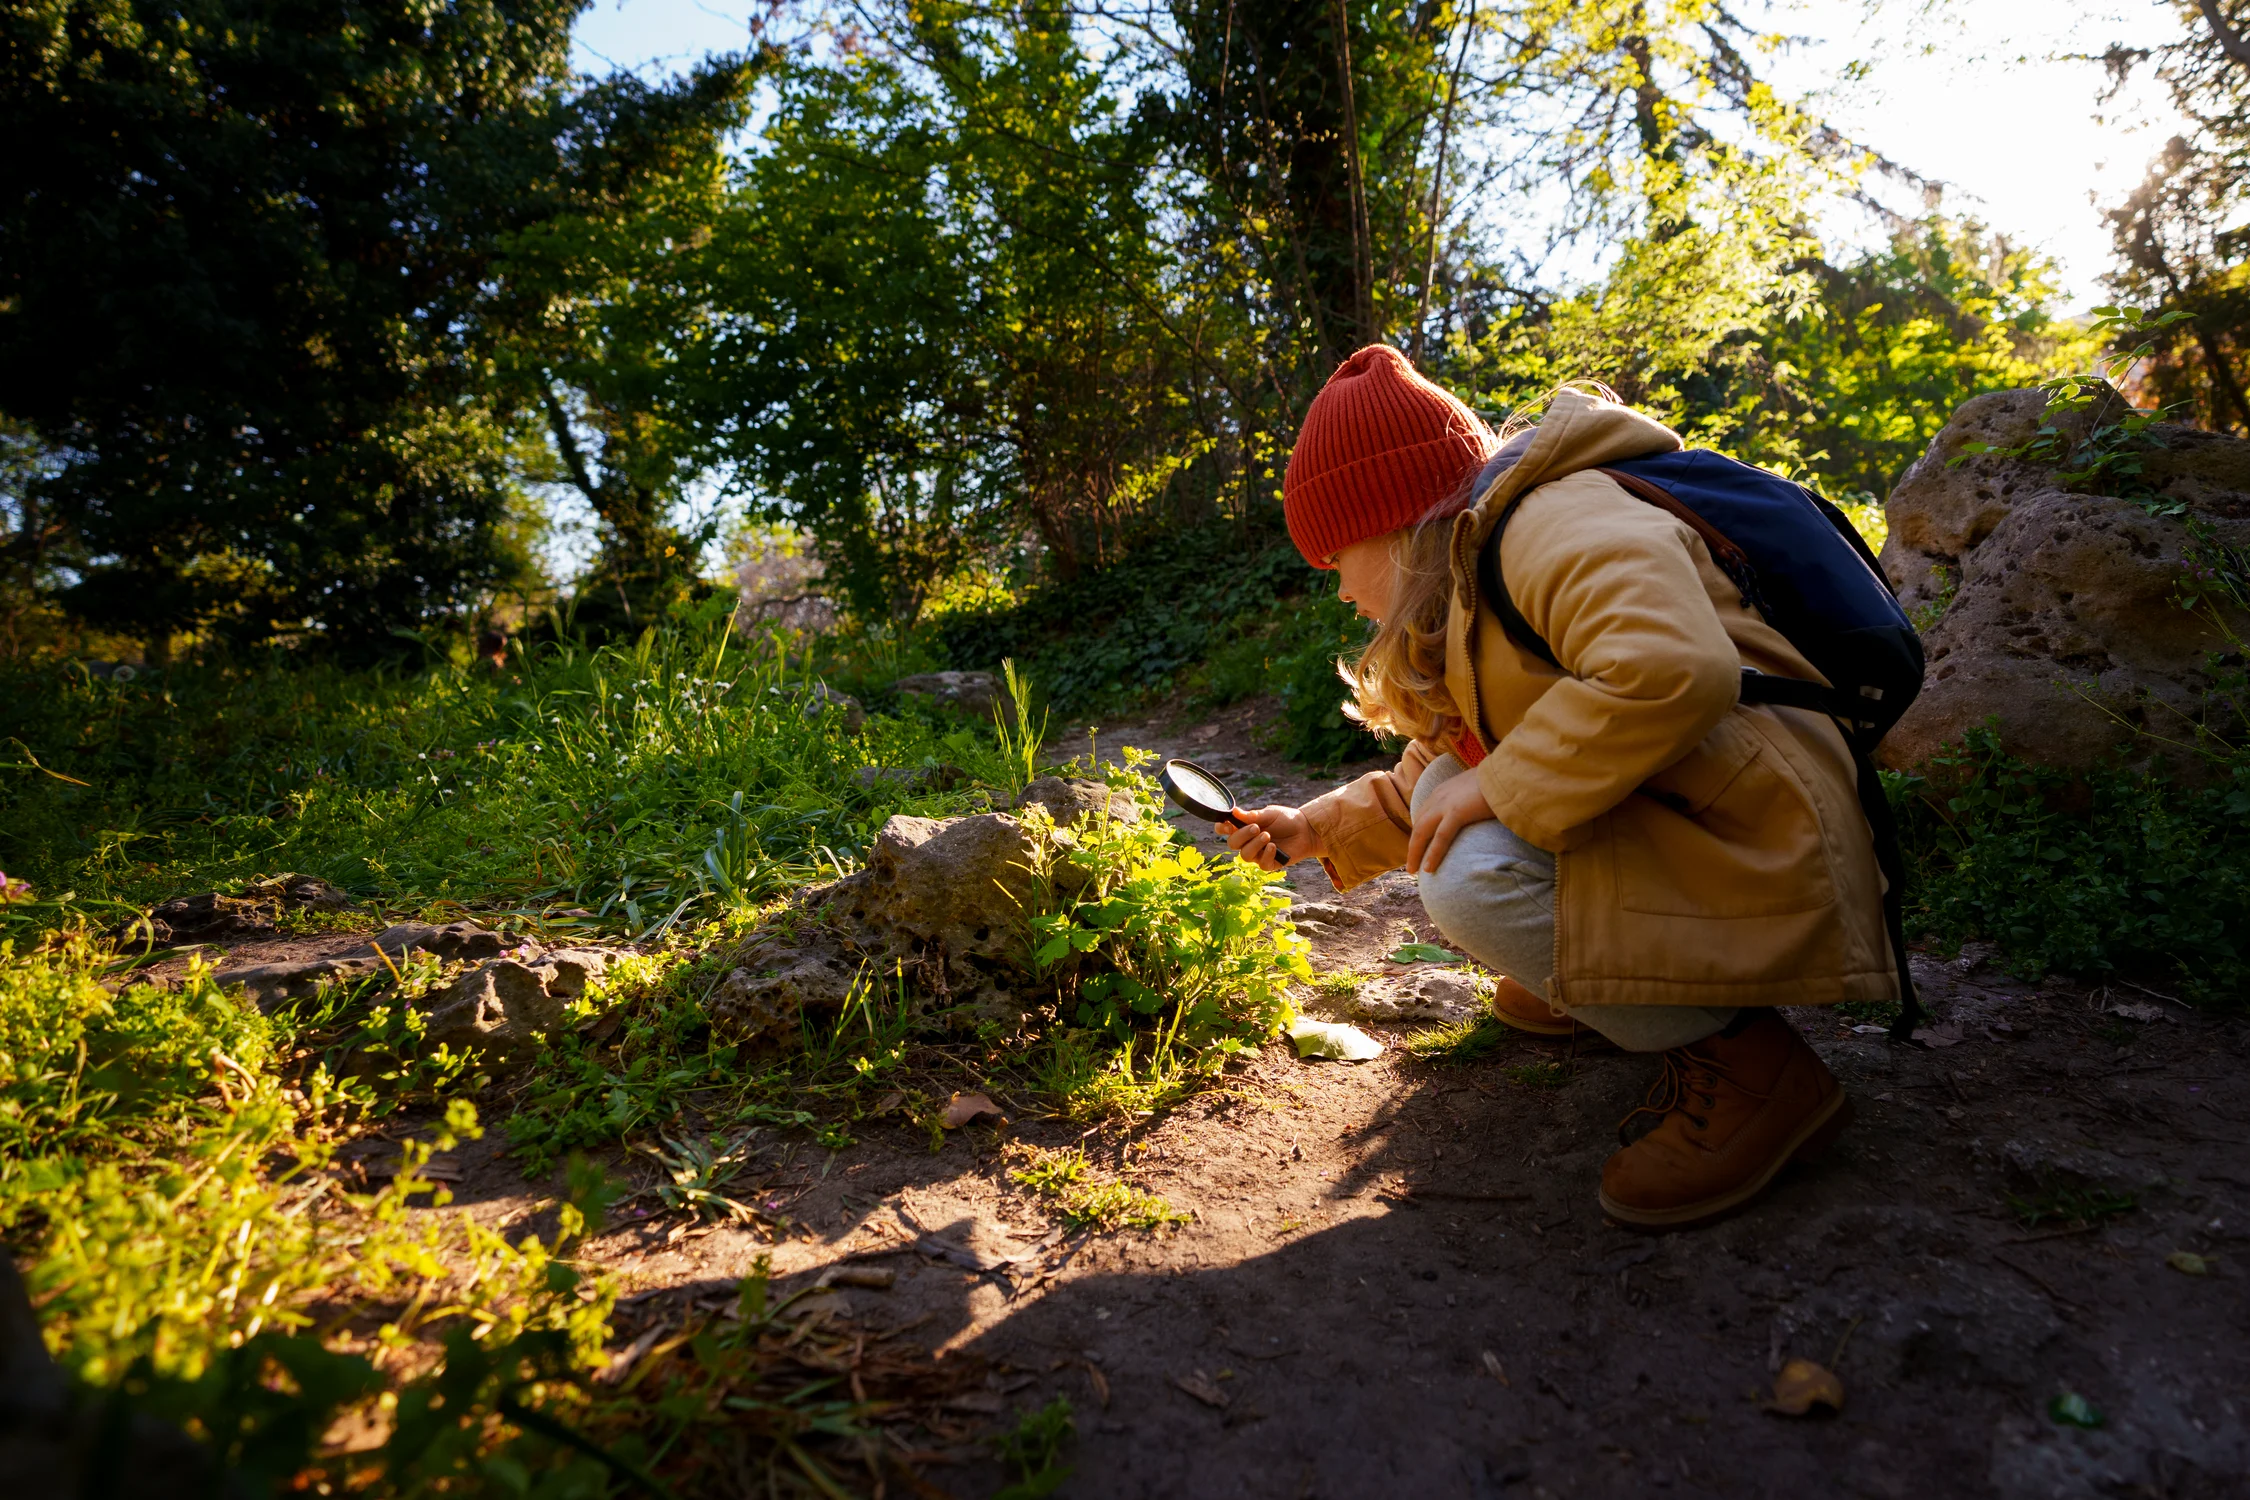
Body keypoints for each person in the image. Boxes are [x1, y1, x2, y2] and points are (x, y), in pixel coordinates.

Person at [1220, 346, 1897, 1231]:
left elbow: (1673, 670)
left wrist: (1497, 786)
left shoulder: (1551, 522)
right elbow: (1454, 760)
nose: (1337, 586)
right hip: (1702, 807)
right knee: (1453, 807)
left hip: (1767, 825)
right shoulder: (1477, 570)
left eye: (1336, 554)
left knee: (1467, 873)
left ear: (1394, 523)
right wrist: (1316, 829)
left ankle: (1756, 1073)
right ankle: (1607, 971)